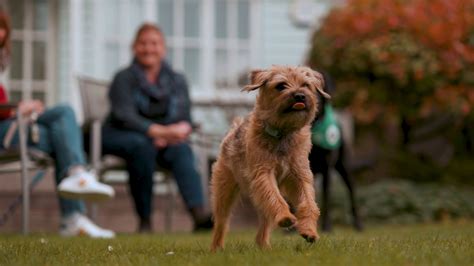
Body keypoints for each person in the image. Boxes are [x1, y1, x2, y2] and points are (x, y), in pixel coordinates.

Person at [0, 11, 115, 238]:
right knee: (62, 128)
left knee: (63, 118)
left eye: (2, 27)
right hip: (5, 128)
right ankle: (75, 200)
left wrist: (19, 109)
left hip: (9, 122)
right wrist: (17, 109)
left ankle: (76, 180)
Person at [103, 23, 213, 233]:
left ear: (163, 48)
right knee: (142, 146)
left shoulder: (177, 79)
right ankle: (145, 221)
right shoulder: (123, 78)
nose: (148, 48)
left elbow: (185, 117)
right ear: (134, 47)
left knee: (182, 150)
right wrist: (158, 132)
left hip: (165, 140)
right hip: (125, 136)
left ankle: (198, 215)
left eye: (154, 43)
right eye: (143, 43)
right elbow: (124, 116)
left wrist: (175, 132)